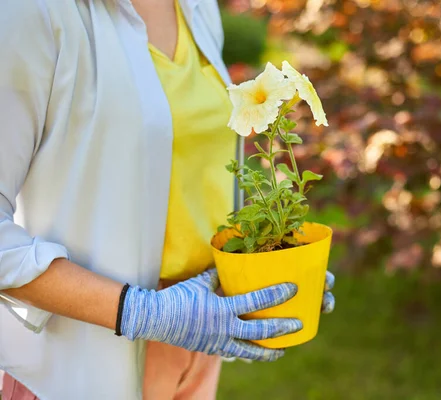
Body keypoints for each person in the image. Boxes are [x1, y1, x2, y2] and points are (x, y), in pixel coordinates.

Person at [0, 1, 336, 399]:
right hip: (89, 360)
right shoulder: (33, 12)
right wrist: (145, 313)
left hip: (199, 340)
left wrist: (264, 271)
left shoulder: (197, 7)